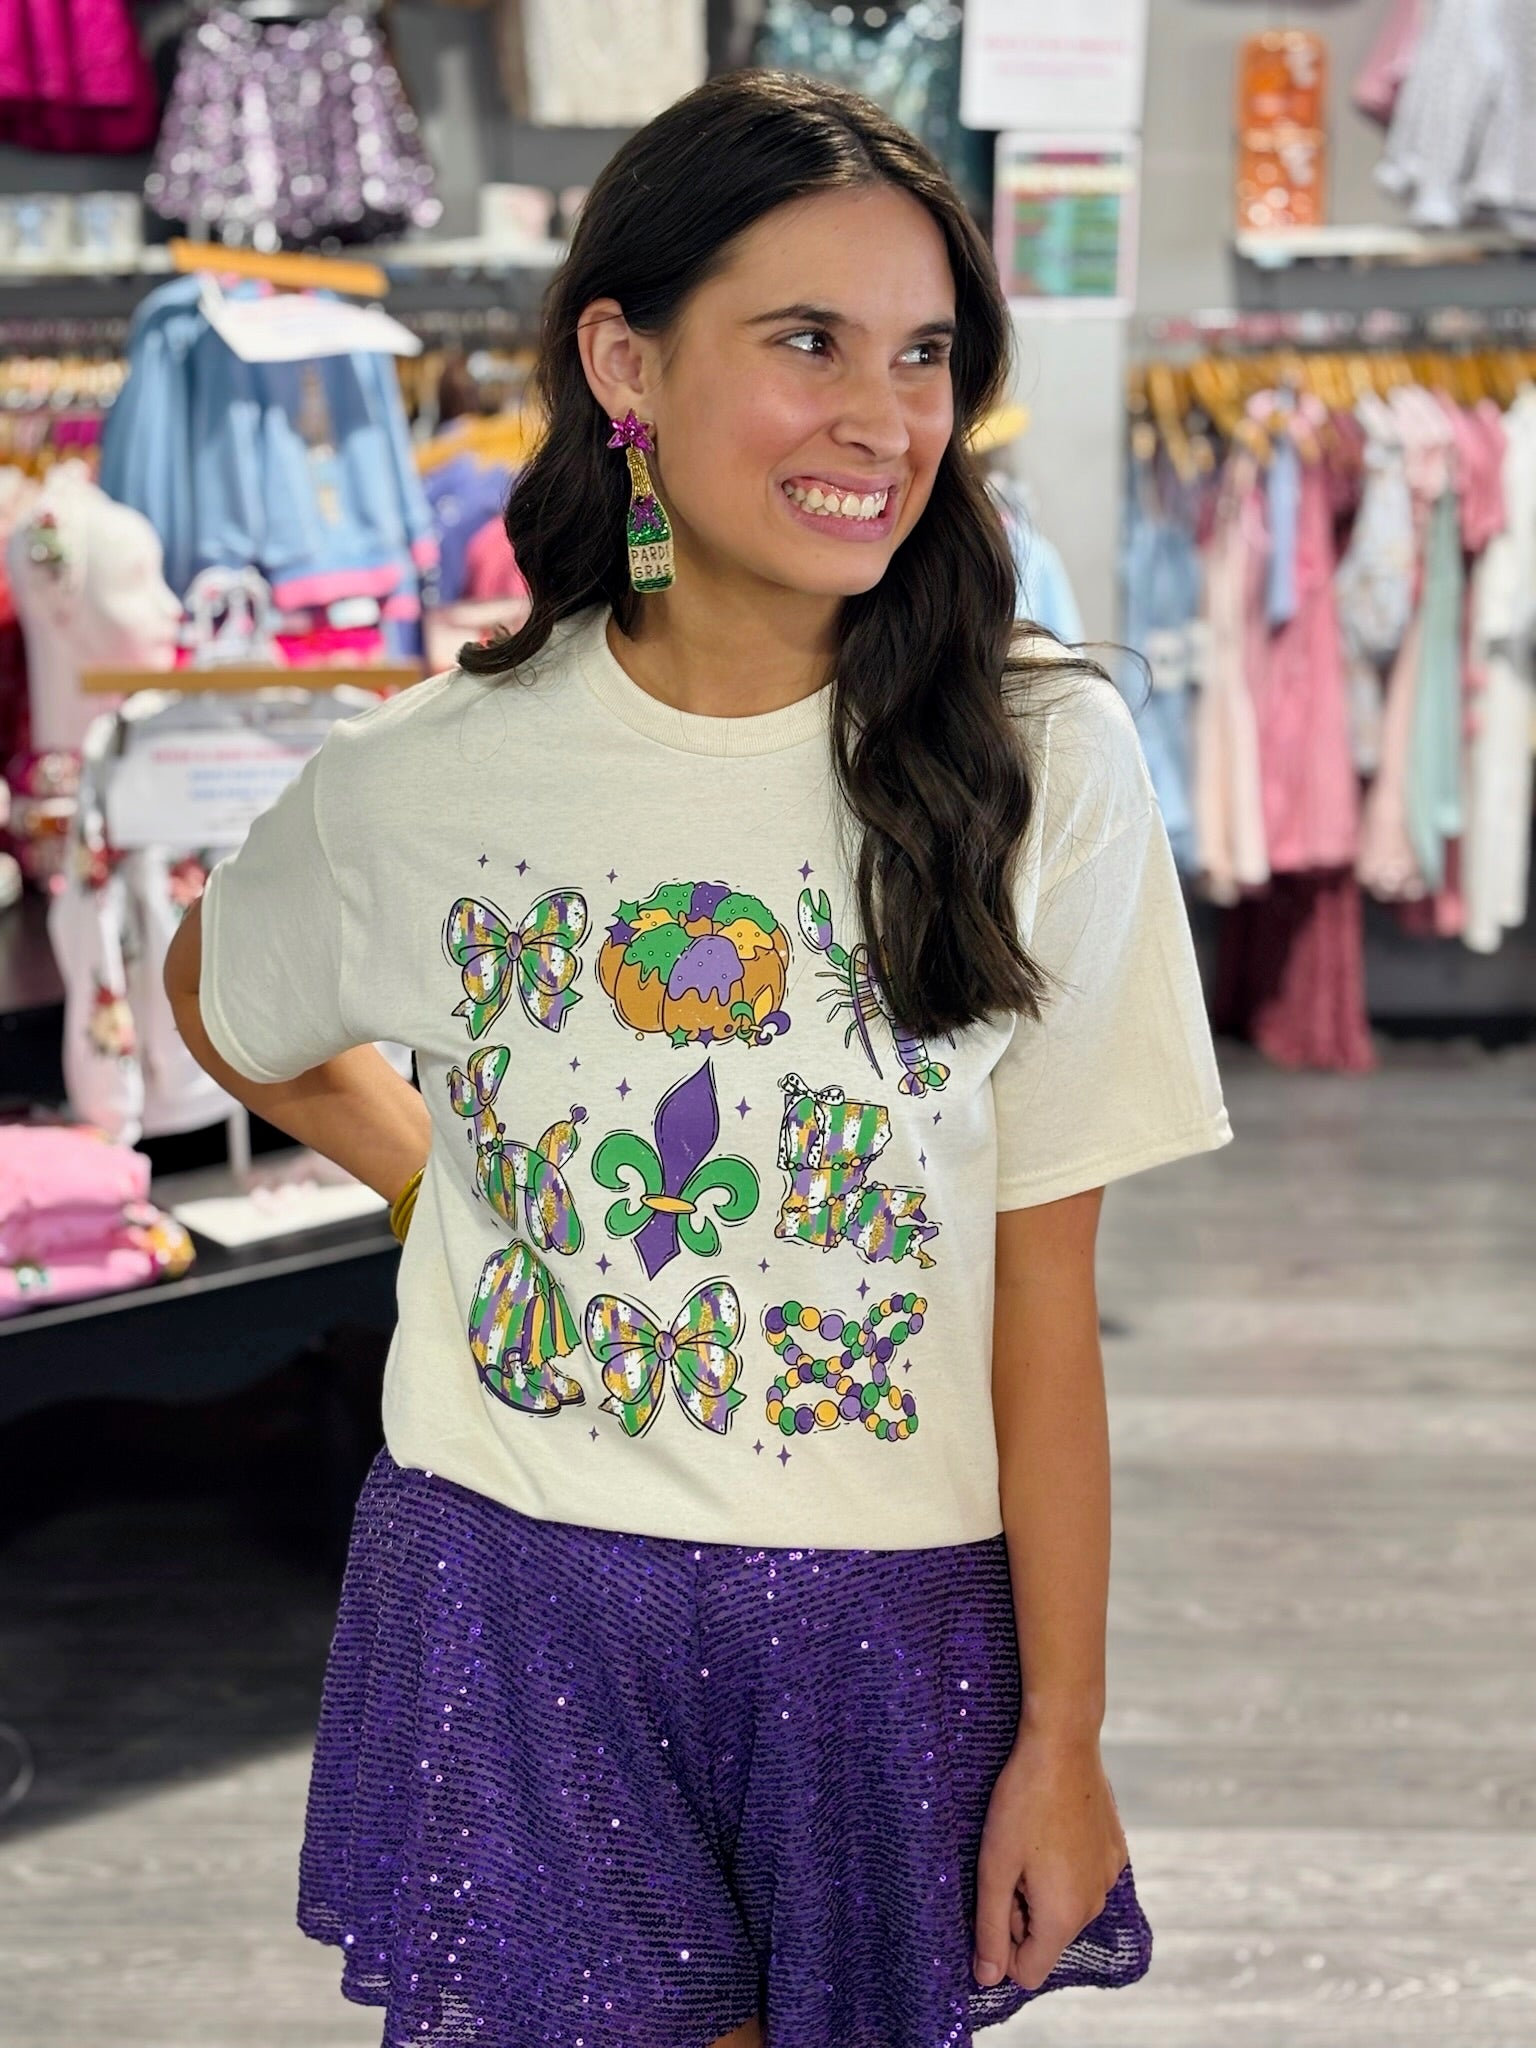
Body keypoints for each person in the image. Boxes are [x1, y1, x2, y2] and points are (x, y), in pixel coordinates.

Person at [164, 69, 1232, 2048]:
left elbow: (1045, 1301)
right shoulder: (429, 775)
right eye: (807, 340)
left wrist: (1066, 1733)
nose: (883, 417)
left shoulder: (1040, 758)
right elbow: (229, 1003)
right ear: (625, 364)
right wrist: (449, 1190)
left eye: (923, 354)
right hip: (512, 1593)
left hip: (886, 1620)